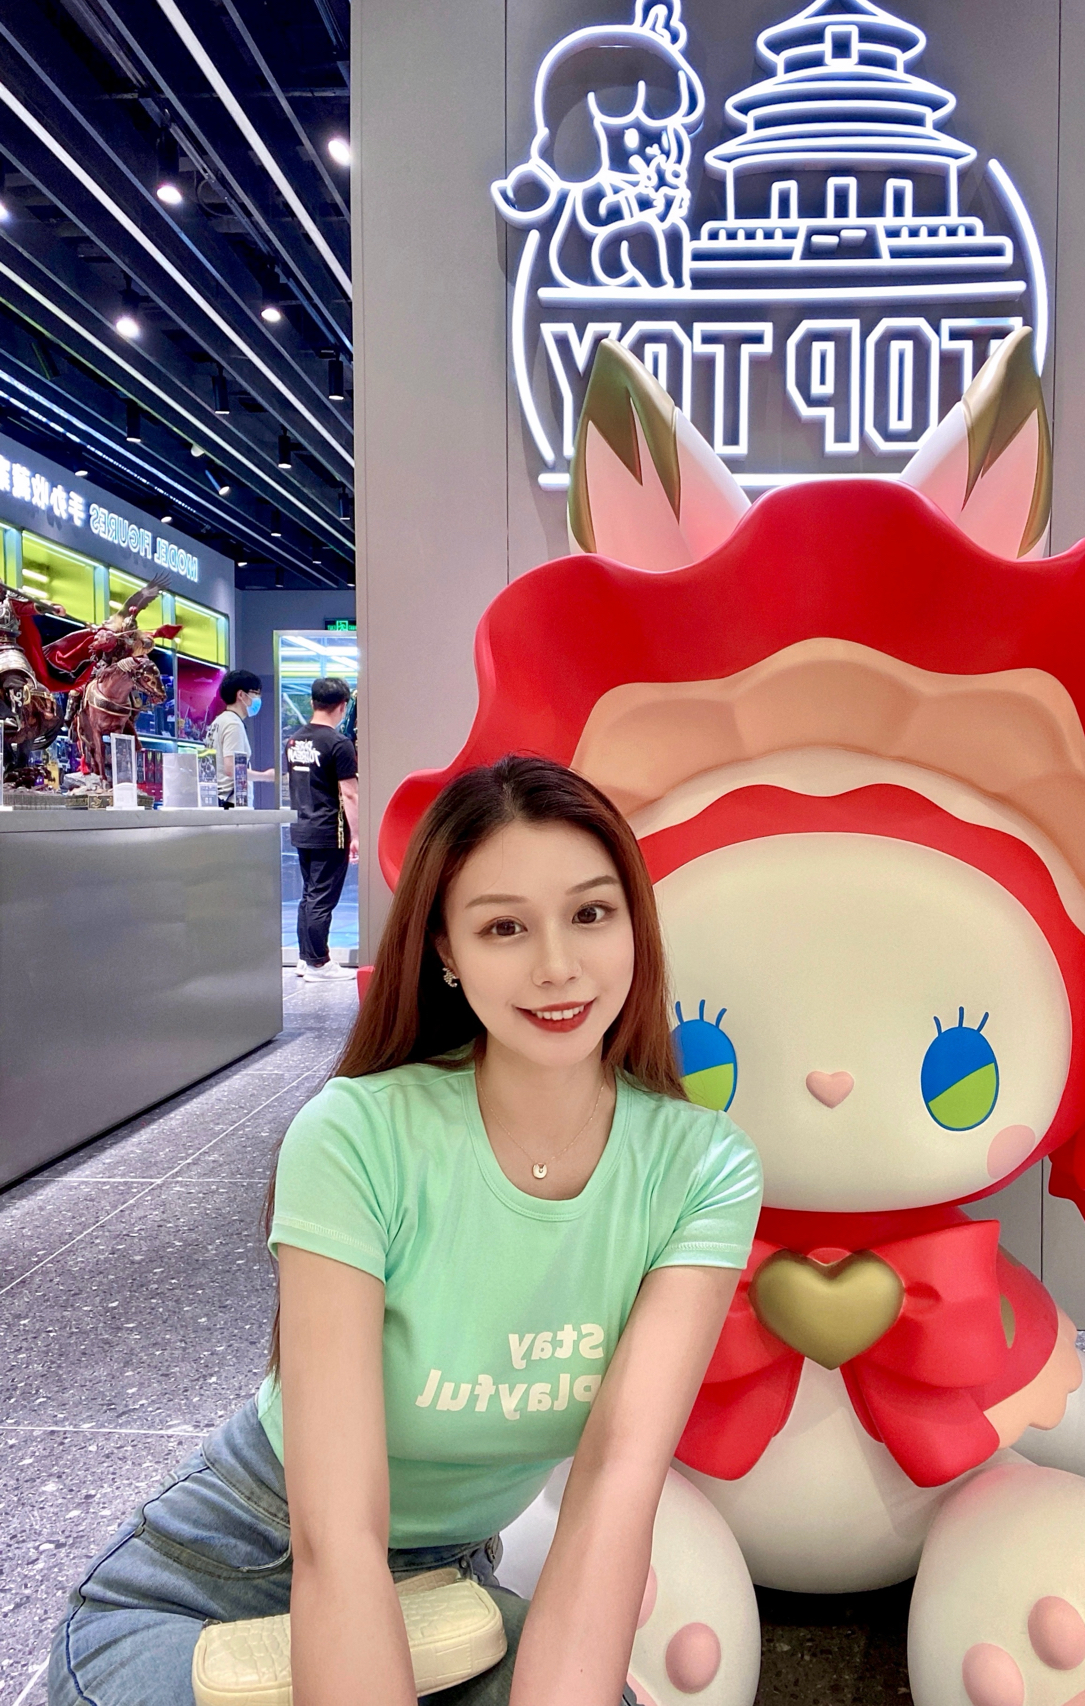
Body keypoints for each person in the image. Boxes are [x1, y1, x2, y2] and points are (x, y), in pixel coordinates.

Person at [47, 754, 763, 1706]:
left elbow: (613, 1488)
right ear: (445, 951)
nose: (557, 965)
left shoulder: (703, 1169)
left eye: (591, 913)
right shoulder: (357, 1136)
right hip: (221, 1575)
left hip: (439, 1595)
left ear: (635, 923)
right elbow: (335, 1537)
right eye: (503, 926)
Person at [286, 677, 359, 981]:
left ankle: (306, 958)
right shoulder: (339, 744)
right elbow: (350, 794)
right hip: (330, 829)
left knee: (309, 896)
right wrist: (357, 835)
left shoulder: (294, 741)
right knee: (321, 898)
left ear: (311, 702)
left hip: (302, 827)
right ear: (342, 706)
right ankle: (318, 962)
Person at [206, 669, 275, 807]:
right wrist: (266, 776)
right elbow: (232, 769)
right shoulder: (233, 724)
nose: (258, 699)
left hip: (220, 800)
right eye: (256, 693)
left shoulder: (218, 721)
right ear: (241, 695)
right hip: (232, 804)